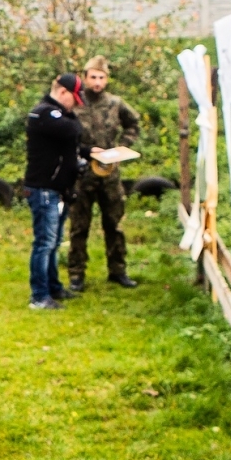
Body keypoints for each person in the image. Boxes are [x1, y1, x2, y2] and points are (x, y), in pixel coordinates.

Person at [68, 54, 142, 291]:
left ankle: (118, 270)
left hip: (109, 173)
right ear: (85, 78)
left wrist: (124, 146)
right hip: (82, 174)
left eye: (101, 77)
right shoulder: (76, 102)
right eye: (93, 77)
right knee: (79, 226)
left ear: (107, 79)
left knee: (114, 224)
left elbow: (133, 123)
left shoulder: (115, 103)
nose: (97, 82)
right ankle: (76, 273)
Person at [24, 72, 85, 310]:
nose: (75, 106)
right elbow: (72, 131)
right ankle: (39, 296)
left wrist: (90, 152)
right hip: (43, 189)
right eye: (74, 99)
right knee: (45, 242)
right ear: (62, 93)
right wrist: (73, 119)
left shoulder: (57, 116)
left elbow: (70, 145)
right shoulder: (44, 113)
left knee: (55, 241)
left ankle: (53, 286)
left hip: (57, 189)